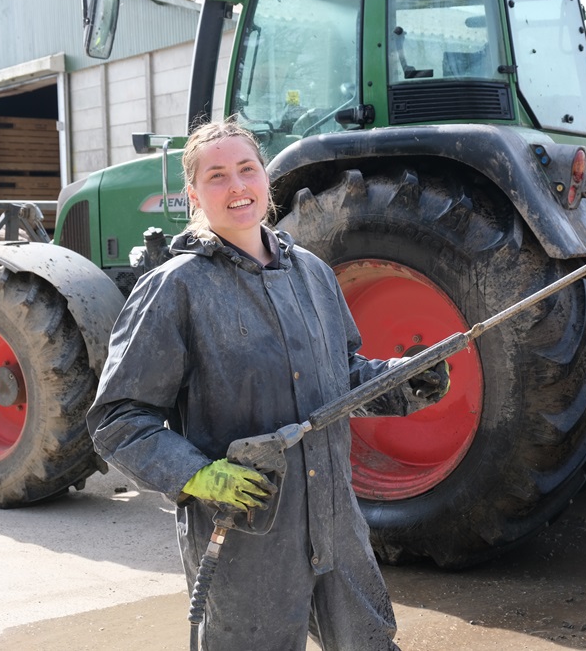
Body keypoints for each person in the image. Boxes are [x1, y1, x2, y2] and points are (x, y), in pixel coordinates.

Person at [86, 118, 449, 650]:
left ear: (265, 180)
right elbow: (118, 420)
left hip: (335, 523)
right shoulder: (175, 288)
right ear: (193, 195)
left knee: (370, 642)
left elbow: (341, 376)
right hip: (246, 532)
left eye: (246, 169)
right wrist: (199, 475)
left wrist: (402, 381)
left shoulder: (313, 274)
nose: (236, 186)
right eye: (216, 176)